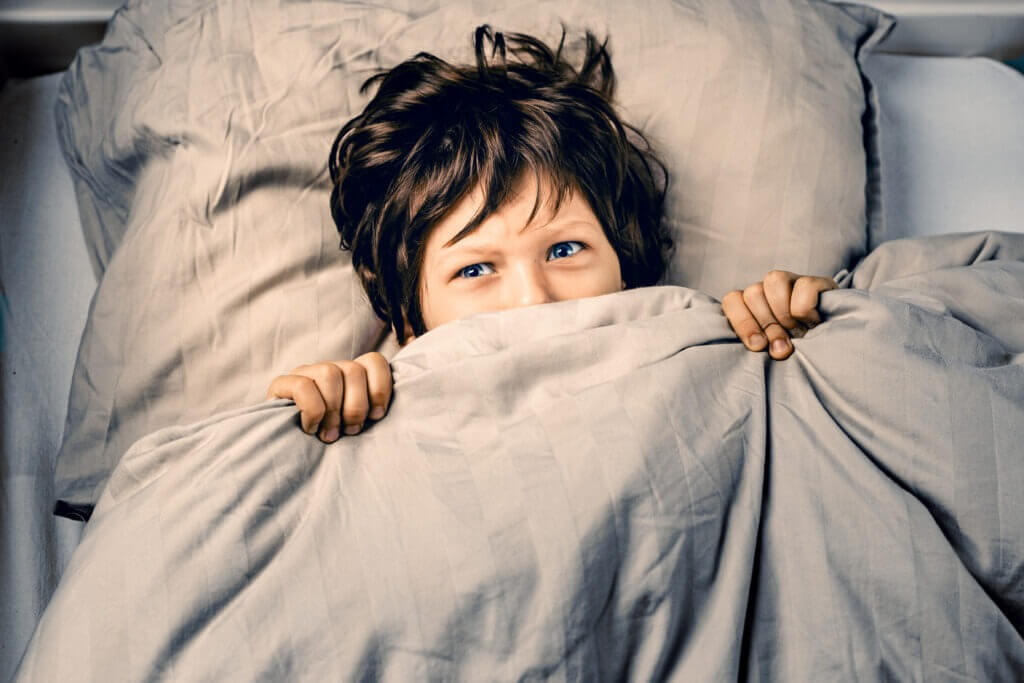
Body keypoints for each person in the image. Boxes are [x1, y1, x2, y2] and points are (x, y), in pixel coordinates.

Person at [266, 26, 836, 444]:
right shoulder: (381, 399)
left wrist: (804, 327)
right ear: (411, 324)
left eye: (565, 249)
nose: (533, 301)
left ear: (626, 267)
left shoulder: (714, 347)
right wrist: (327, 406)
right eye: (474, 269)